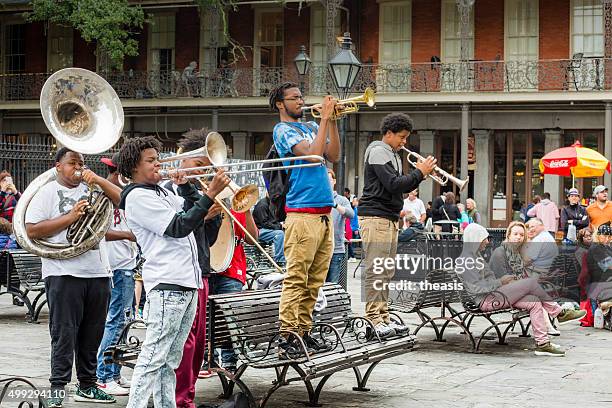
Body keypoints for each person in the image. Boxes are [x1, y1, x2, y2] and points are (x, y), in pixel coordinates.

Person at [116, 136, 229, 408]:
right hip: (167, 283)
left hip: (187, 282)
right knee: (154, 355)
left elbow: (193, 215)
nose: (159, 164)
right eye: (151, 160)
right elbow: (178, 227)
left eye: (158, 158)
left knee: (171, 358)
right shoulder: (137, 197)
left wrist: (187, 187)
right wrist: (210, 193)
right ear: (133, 167)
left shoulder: (163, 192)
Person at [25, 147, 122, 407]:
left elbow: (114, 211)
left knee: (93, 333)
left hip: (99, 271)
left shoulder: (94, 190)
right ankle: (57, 388)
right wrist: (71, 217)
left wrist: (99, 181)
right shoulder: (45, 193)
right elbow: (31, 230)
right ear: (58, 166)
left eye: (81, 162)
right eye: (72, 163)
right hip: (63, 272)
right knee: (64, 333)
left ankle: (88, 386)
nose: (78, 167)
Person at [269, 82, 339, 358]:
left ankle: (305, 332)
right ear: (279, 104)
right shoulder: (282, 130)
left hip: (323, 215)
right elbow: (312, 157)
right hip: (301, 214)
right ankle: (287, 336)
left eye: (301, 97)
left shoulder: (311, 128)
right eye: (294, 98)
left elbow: (332, 155)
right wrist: (323, 118)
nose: (301, 101)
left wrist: (331, 121)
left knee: (315, 280)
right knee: (297, 278)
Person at [359, 113, 436, 338]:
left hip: (387, 218)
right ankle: (373, 319)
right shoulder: (378, 151)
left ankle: (383, 316)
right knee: (378, 269)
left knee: (386, 271)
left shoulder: (391, 154)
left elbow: (399, 186)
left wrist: (419, 175)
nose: (404, 142)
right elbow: (394, 184)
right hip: (376, 218)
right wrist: (420, 173)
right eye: (401, 137)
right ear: (389, 133)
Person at [457, 223, 586, 356]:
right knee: (530, 283)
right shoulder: (466, 260)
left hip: (494, 296)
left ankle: (543, 344)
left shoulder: (475, 257)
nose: (487, 241)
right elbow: (476, 288)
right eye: (484, 238)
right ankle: (559, 312)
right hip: (487, 300)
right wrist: (500, 281)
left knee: (534, 302)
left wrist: (504, 282)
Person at [163, 129, 224, 408]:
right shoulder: (167, 191)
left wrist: (213, 217)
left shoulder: (201, 192)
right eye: (199, 165)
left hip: (201, 270)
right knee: (184, 342)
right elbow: (178, 229)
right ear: (183, 160)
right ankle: (178, 400)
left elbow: (207, 240)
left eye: (207, 167)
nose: (204, 172)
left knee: (199, 343)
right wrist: (201, 208)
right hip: (178, 274)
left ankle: (187, 395)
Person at [95, 154, 138, 396]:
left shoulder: (125, 197)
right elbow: (100, 231)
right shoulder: (104, 197)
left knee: (122, 322)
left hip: (126, 264)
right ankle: (104, 375)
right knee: (115, 321)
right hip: (117, 265)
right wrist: (128, 235)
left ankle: (114, 374)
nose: (112, 178)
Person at [203, 207, 258, 375]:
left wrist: (247, 211)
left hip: (232, 270)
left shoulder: (236, 209)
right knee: (204, 317)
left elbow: (252, 239)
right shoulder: (202, 204)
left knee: (229, 319)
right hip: (205, 268)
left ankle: (229, 361)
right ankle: (206, 359)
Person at [326, 169, 354, 284]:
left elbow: (351, 214)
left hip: (336, 248)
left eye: (329, 180)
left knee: (332, 285)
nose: (327, 182)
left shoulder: (342, 200)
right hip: (318, 249)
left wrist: (335, 205)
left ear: (334, 181)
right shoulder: (316, 199)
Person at [586, 223, 612, 314]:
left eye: (609, 236)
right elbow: (609, 266)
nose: (607, 239)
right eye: (605, 236)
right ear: (598, 235)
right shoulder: (596, 247)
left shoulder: (606, 247)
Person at [252, 194, 286, 264]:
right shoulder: (262, 205)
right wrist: (280, 226)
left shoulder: (271, 203)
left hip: (265, 229)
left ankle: (287, 257)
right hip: (258, 231)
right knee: (279, 234)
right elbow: (265, 223)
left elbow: (272, 221)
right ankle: (280, 260)